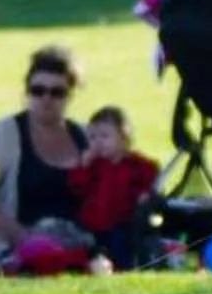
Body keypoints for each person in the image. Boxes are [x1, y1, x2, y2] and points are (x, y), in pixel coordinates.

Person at [0, 45, 90, 262]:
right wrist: (20, 234)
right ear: (26, 91)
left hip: (82, 247)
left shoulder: (87, 137)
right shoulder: (1, 135)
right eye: (37, 91)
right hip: (16, 252)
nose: (46, 99)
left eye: (57, 92)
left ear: (71, 95)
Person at [67, 106, 161, 274]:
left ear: (124, 138)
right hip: (93, 223)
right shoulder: (95, 165)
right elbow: (77, 188)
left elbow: (150, 176)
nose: (98, 142)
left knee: (121, 247)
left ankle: (123, 267)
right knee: (89, 248)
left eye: (105, 136)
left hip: (122, 221)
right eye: (93, 137)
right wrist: (83, 166)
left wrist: (144, 196)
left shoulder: (136, 165)